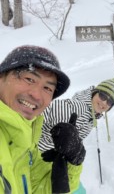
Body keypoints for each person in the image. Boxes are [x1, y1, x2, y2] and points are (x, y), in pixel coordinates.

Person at [0, 45, 85, 193]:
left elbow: (37, 187)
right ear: (2, 77)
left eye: (47, 88)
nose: (37, 95)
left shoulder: (25, 143)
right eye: (29, 79)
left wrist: (72, 160)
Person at [38, 77, 114, 194]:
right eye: (102, 96)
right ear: (94, 93)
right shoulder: (75, 107)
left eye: (109, 102)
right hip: (40, 158)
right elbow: (38, 114)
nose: (104, 103)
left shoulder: (91, 116)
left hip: (57, 161)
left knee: (79, 190)